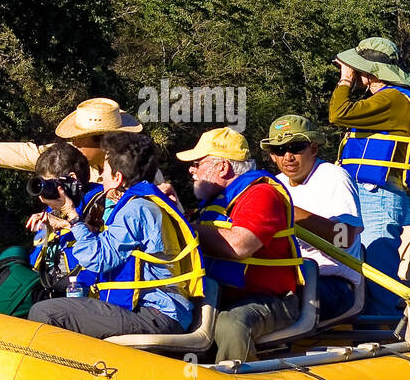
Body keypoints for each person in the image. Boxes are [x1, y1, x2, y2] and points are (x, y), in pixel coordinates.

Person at [28, 133, 201, 338]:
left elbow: (97, 259)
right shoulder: (143, 204)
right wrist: (66, 224)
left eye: (106, 172)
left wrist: (72, 214)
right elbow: (108, 247)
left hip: (156, 314)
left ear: (118, 178)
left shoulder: (135, 210)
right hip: (160, 311)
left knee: (44, 312)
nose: (101, 178)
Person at [176, 127, 305, 363]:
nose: (191, 170)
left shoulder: (261, 194)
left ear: (222, 167)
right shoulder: (214, 201)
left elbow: (239, 245)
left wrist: (187, 227)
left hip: (271, 301)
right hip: (221, 294)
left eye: (198, 163)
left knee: (230, 324)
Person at [329, 37, 410, 319]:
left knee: (377, 261)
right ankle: (352, 319)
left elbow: (338, 113)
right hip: (356, 194)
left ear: (370, 72)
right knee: (343, 253)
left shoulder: (394, 98)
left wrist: (345, 81)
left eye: (356, 69)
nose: (351, 73)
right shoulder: (379, 100)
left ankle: (385, 328)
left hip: (377, 193)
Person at [260, 114, 363, 322]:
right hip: (290, 279)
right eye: (279, 150)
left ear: (313, 149)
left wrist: (290, 212)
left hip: (334, 285)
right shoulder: (273, 185)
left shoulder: (334, 177)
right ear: (272, 155)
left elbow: (345, 239)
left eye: (296, 147)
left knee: (263, 307)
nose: (288, 156)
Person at [0, 97, 144, 182]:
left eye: (81, 140)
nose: (74, 144)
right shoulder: (71, 155)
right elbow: (22, 153)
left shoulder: (139, 170)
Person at [24, 143, 108, 296]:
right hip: (48, 287)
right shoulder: (52, 208)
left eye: (50, 184)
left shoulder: (103, 203)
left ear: (72, 179)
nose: (45, 193)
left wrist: (66, 222)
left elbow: (102, 251)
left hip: (82, 293)